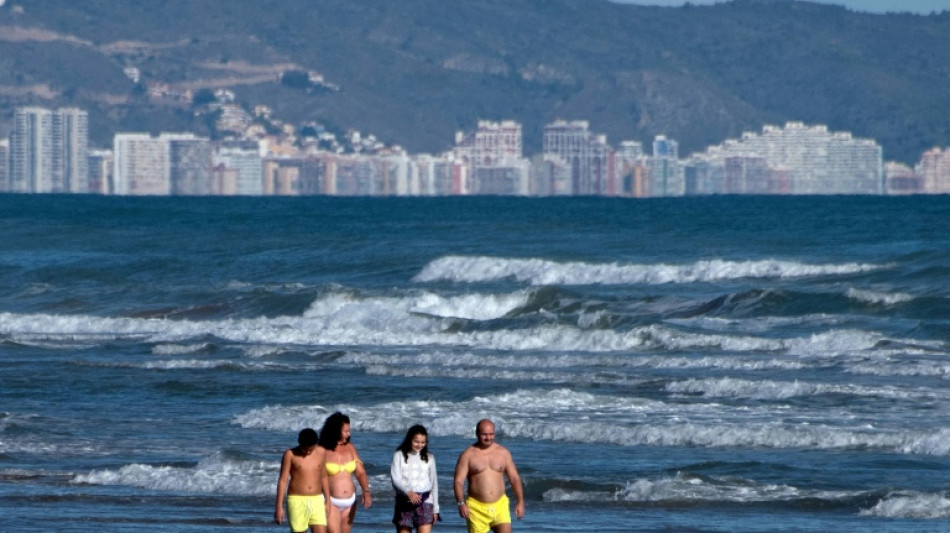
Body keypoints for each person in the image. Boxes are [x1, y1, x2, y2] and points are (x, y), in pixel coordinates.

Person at [453, 419, 525, 533]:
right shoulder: (467, 455)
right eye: (484, 434)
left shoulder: (503, 453)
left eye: (491, 434)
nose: (488, 438)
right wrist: (461, 503)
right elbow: (458, 481)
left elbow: (515, 479)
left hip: (500, 505)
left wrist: (520, 501)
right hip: (476, 508)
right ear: (477, 434)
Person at [318, 412, 372, 533]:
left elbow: (360, 473)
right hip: (330, 501)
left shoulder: (350, 448)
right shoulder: (321, 450)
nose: (349, 434)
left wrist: (366, 492)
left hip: (350, 502)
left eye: (349, 430)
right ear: (335, 431)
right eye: (346, 431)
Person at [275, 428, 331, 533]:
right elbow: (283, 481)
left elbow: (323, 476)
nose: (308, 452)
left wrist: (328, 500)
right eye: (305, 449)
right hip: (296, 501)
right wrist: (279, 506)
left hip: (317, 500)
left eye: (311, 449)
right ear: (299, 443)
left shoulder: (321, 452)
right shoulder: (290, 454)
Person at [390, 425, 440, 533]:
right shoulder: (399, 455)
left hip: (425, 502)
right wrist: (408, 492)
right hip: (404, 502)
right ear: (409, 439)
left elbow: (434, 485)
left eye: (423, 442)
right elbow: (395, 479)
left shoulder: (429, 458)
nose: (419, 445)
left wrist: (436, 510)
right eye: (416, 441)